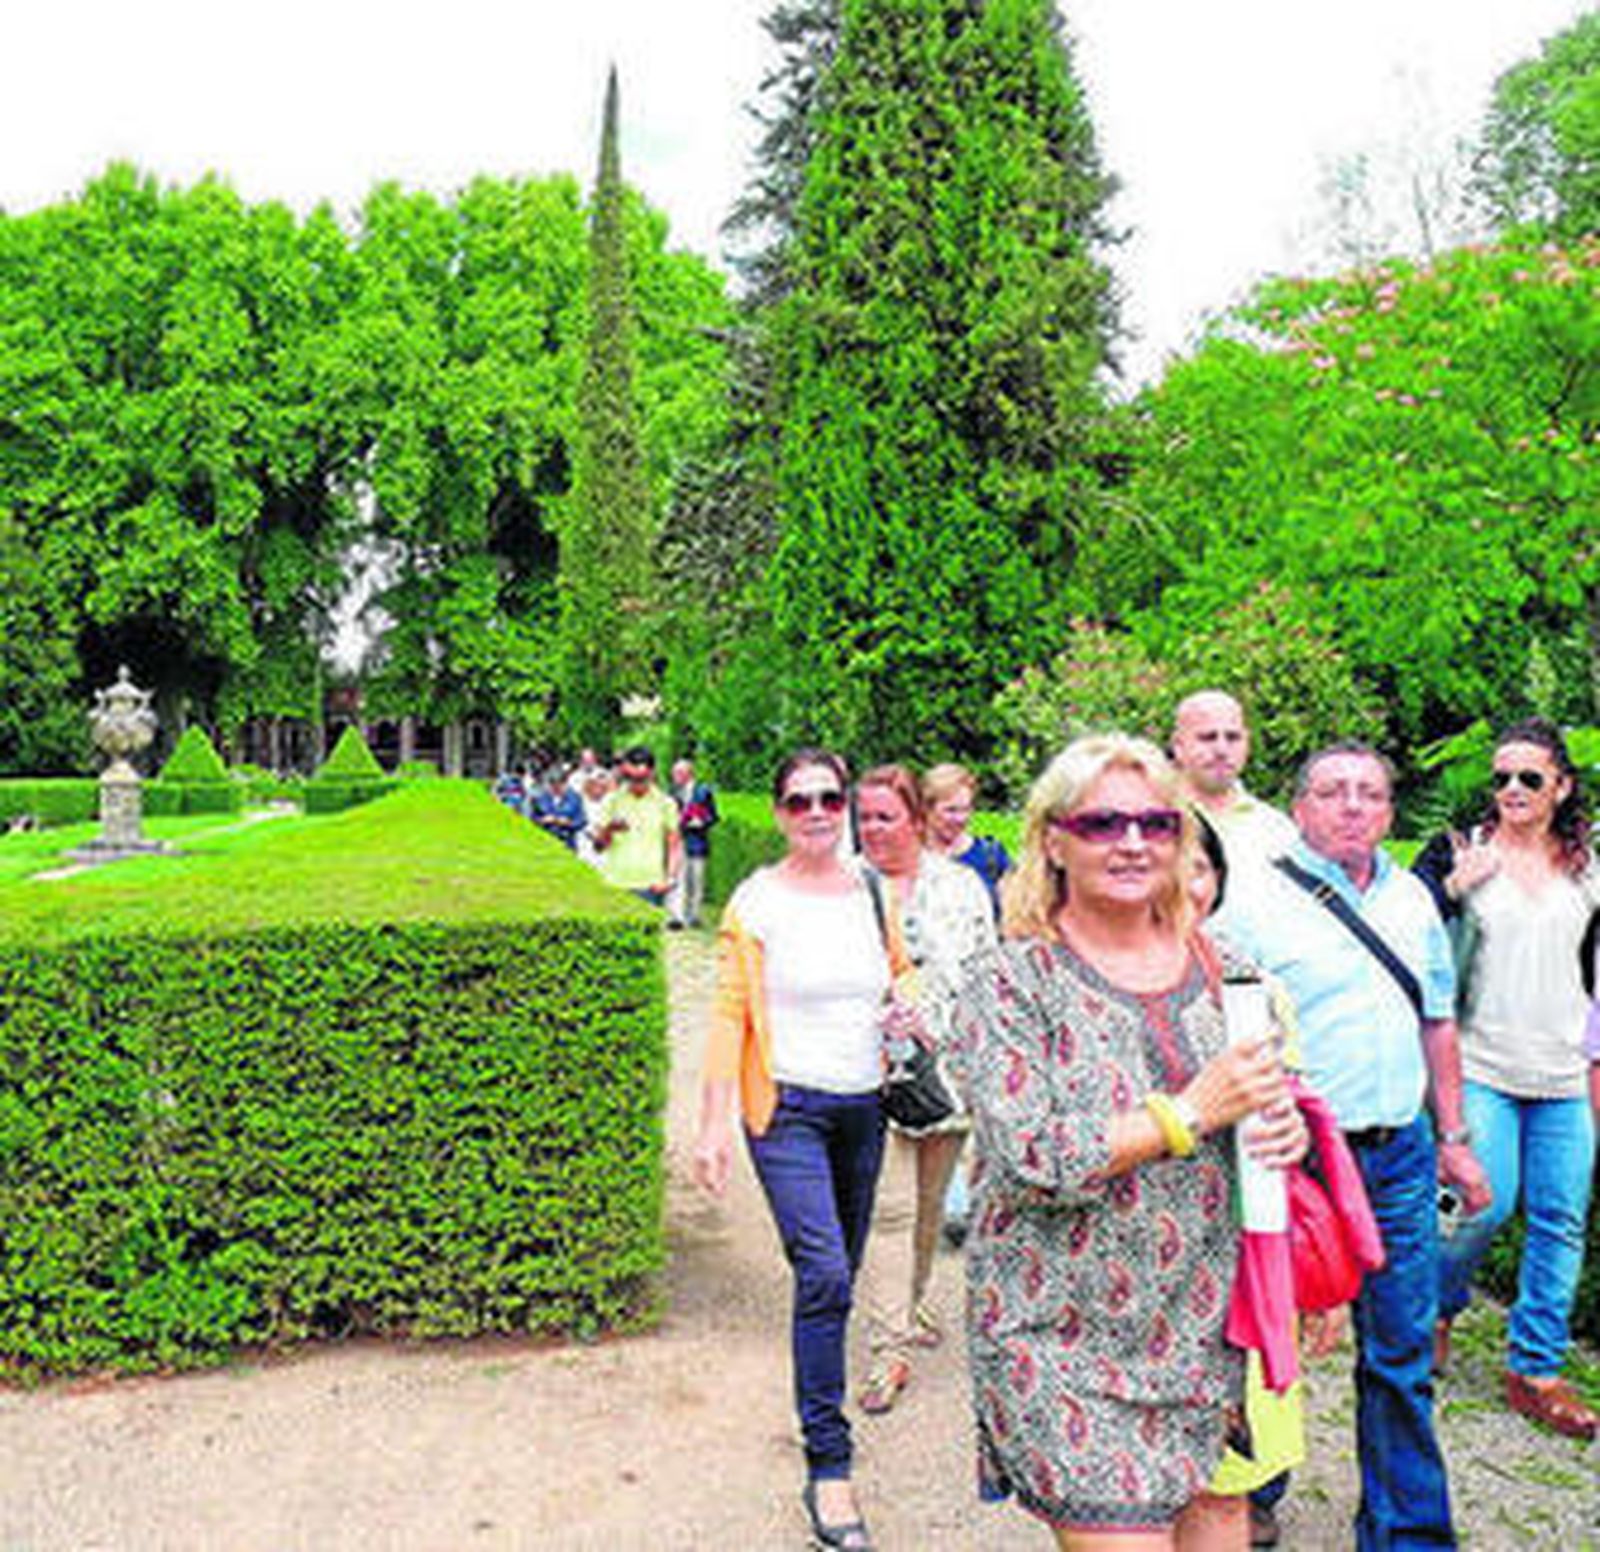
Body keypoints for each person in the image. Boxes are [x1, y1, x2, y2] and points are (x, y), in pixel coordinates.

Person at [956, 733, 1303, 1549]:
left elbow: (1260, 1123)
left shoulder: (1232, 971)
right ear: (1054, 839)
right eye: (1103, 823)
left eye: (1156, 821)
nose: (1133, 841)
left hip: (1202, 1334)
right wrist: (1189, 1111)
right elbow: (1028, 1156)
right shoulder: (1009, 981)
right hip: (1057, 1338)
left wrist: (1278, 1131)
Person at [1218, 741, 1491, 1552]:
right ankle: (1250, 1493)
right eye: (1333, 791)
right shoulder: (1254, 901)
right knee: (1270, 1339)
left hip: (1398, 1153)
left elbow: (1436, 1021)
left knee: (1399, 1350)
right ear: (1299, 807)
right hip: (1293, 1158)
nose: (1352, 806)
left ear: (1390, 811)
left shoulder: (1411, 897)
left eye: (1370, 793)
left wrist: (1454, 1137)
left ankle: (1407, 1533)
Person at [693, 750, 896, 1552]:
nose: (817, 811)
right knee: (824, 1275)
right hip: (786, 1110)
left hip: (864, 1108)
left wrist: (905, 1013)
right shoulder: (757, 901)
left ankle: (820, 1387)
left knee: (833, 1275)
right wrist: (712, 1124)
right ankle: (829, 1466)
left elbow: (900, 976)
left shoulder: (871, 891)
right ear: (779, 813)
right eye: (799, 800)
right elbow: (726, 1016)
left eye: (830, 797)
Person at [1412, 718, 1600, 1441]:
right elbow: (1412, 936)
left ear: (1562, 784)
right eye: (1501, 778)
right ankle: (1433, 1306)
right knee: (1477, 1207)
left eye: (1529, 777)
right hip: (1481, 1063)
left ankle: (1536, 1369)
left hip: (1565, 1072)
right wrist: (1452, 892)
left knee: (1561, 1220)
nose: (1512, 789)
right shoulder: (1462, 850)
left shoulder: (1587, 866)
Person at [851, 764, 996, 1416]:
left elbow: (988, 974)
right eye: (866, 817)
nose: (872, 829)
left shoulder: (961, 886)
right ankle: (889, 1351)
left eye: (885, 816)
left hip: (949, 1073)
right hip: (868, 1071)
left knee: (930, 1211)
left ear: (915, 818)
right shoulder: (844, 883)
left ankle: (909, 1302)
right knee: (891, 1210)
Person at [1170, 691, 1297, 876]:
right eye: (1208, 737)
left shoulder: (1276, 830)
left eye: (1232, 737)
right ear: (1178, 746)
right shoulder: (1150, 821)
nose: (1221, 750)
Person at [592, 746, 682, 907]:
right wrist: (609, 829)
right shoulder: (612, 801)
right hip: (616, 883)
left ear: (652, 773)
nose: (635, 784)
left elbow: (674, 845)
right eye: (630, 778)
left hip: (651, 885)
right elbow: (598, 847)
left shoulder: (666, 803)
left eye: (641, 779)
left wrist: (670, 879)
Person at [922, 762, 1010, 918]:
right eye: (951, 810)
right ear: (927, 809)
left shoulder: (991, 855)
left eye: (966, 809)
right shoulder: (907, 858)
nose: (961, 819)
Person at [668, 757, 719, 929]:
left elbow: (714, 817)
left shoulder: (703, 792)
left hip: (697, 842)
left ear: (688, 774)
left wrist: (702, 822)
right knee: (677, 881)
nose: (674, 776)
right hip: (677, 843)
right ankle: (677, 917)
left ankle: (694, 915)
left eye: (678, 773)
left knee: (696, 881)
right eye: (674, 773)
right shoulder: (671, 793)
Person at [529, 765, 586, 851]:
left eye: (559, 785)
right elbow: (532, 820)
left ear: (565, 783)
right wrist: (543, 820)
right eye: (553, 785)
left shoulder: (575, 798)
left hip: (567, 844)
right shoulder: (541, 798)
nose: (556, 789)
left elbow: (582, 820)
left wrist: (569, 823)